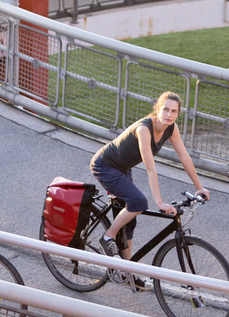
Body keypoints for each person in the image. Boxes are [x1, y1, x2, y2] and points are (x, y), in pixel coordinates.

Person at [90, 92, 210, 289]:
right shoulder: (144, 129)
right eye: (165, 109)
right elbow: (150, 168)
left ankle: (125, 273)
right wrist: (160, 202)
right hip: (105, 166)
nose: (169, 115)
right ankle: (107, 237)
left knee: (130, 219)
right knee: (139, 202)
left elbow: (185, 158)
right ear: (158, 108)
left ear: (178, 114)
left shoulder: (171, 128)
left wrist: (199, 187)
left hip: (122, 168)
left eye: (174, 111)